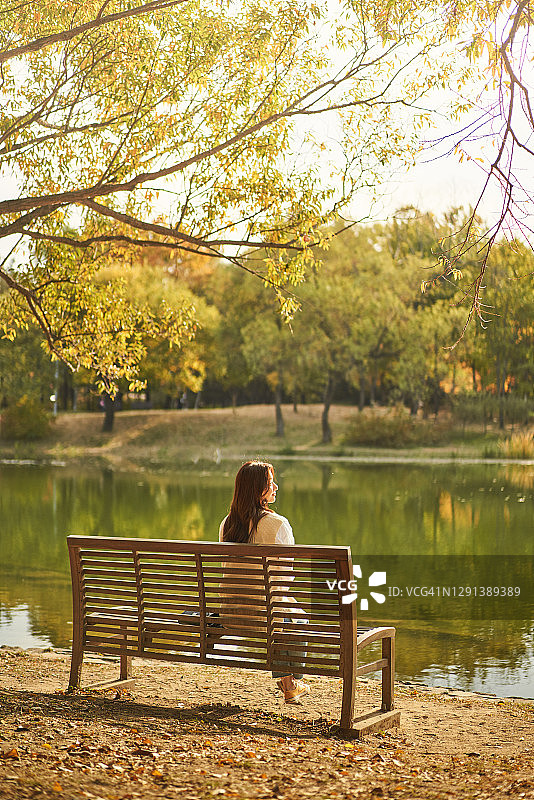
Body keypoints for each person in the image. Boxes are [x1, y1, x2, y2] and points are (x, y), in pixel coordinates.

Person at [218, 460, 310, 703]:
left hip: (231, 612)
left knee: (285, 611)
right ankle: (293, 681)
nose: (276, 487)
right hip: (264, 614)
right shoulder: (278, 524)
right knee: (295, 617)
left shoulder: (227, 524)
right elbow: (287, 573)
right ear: (259, 490)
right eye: (271, 483)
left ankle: (289, 683)